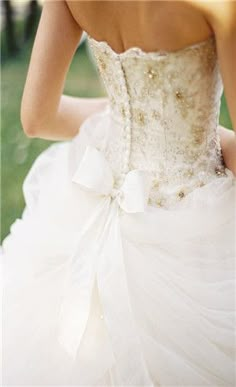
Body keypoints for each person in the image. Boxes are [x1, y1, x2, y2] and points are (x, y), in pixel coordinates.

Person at [1, 1, 236, 385]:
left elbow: (37, 117)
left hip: (89, 205)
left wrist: (127, 119)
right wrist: (197, 136)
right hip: (193, 224)